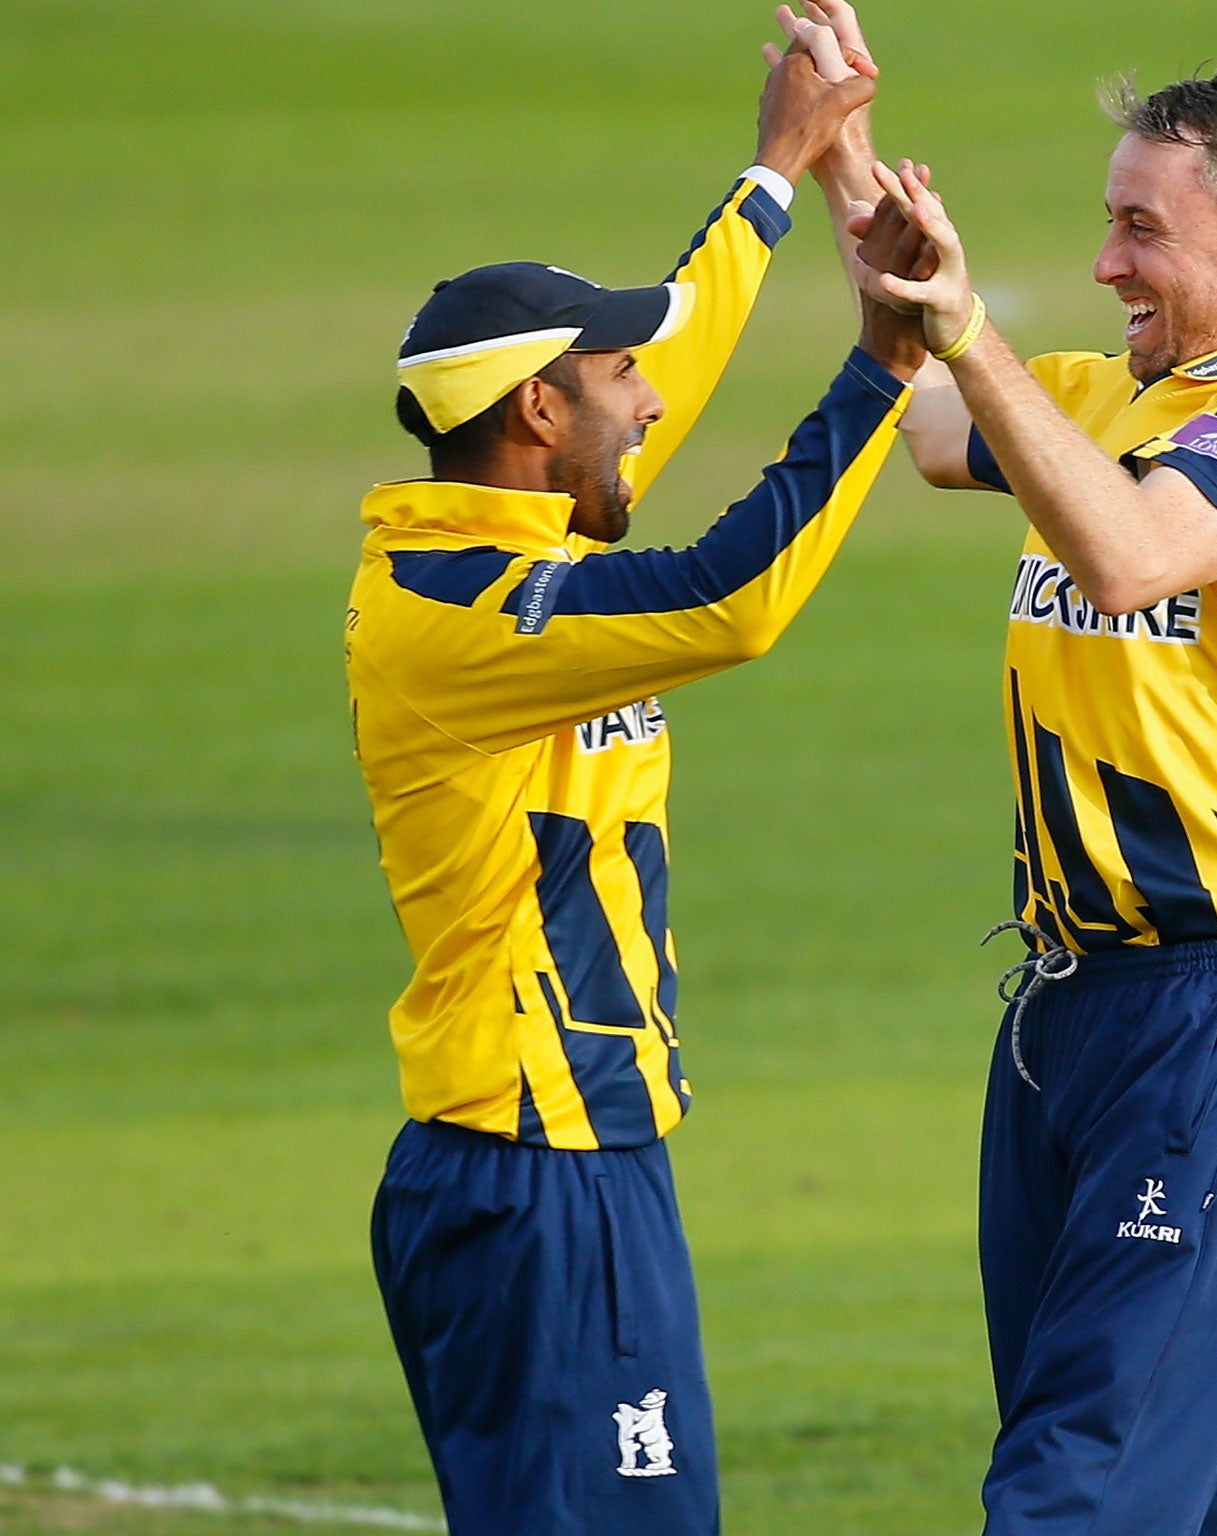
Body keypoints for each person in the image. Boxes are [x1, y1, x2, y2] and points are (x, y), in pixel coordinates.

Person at [783, 7, 1217, 1532]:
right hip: (1070, 1018)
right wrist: (846, 163)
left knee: (1076, 1485)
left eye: (1142, 229)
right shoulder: (1113, 396)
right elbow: (940, 428)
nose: (1108, 262)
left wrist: (970, 328)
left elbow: (1131, 555)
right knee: (1183, 1490)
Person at [342, 36, 927, 1536]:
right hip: (533, 1167)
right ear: (539, 416)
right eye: (618, 378)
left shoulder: (521, 544)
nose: (654, 403)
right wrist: (882, 370)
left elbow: (678, 356)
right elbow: (733, 601)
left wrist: (776, 174)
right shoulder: (470, 611)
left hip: (574, 1157)